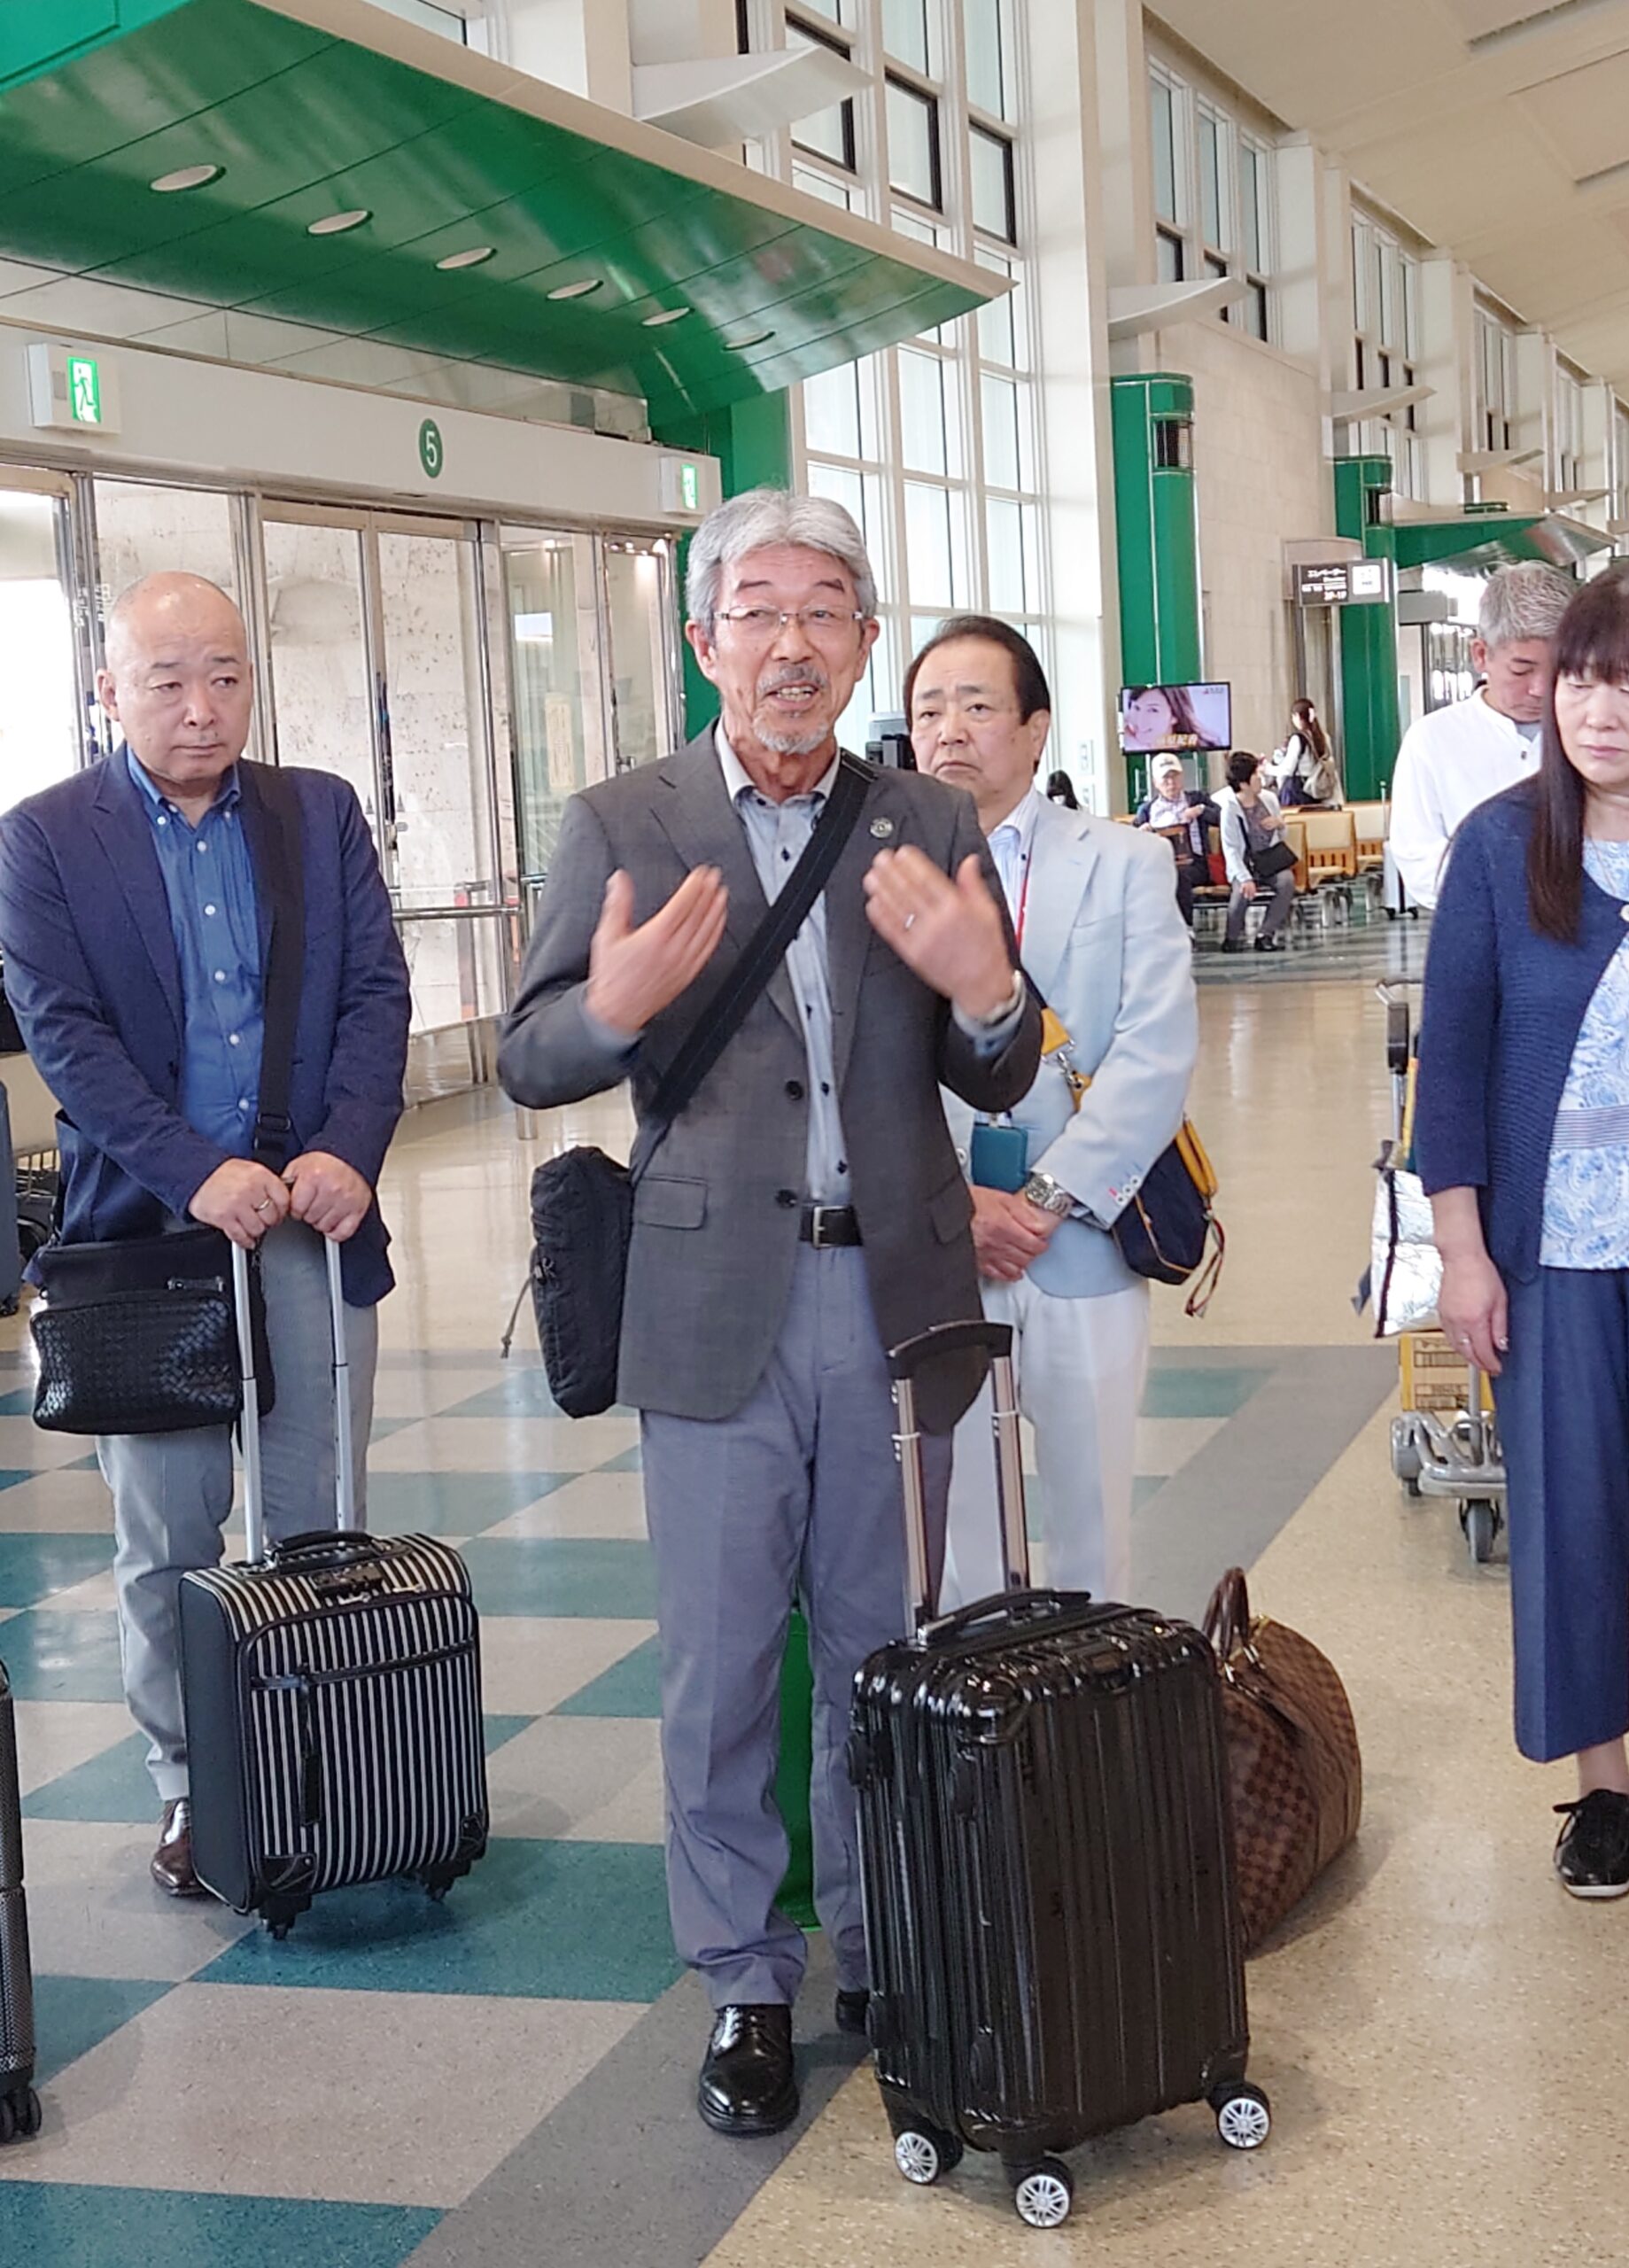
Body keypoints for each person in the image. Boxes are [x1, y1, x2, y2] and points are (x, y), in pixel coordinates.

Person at [498, 492, 1042, 2140]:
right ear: (703, 640)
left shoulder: (927, 816)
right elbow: (528, 1056)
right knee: (723, 1663)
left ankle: (885, 1949)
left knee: (883, 1649)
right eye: (758, 610)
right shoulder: (623, 819)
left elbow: (999, 1067)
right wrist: (609, 1008)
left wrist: (989, 991)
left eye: (824, 612)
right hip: (712, 1301)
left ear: (865, 642)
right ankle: (744, 1977)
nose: (791, 643)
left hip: (892, 1297)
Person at [0, 571, 409, 1898]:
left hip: (311, 1225)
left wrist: (348, 1146)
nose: (201, 706)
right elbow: (67, 1036)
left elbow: (374, 992)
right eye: (167, 680)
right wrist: (196, 1170)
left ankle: (317, 1772)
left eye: (225, 675)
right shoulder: (44, 839)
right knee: (167, 1537)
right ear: (108, 692)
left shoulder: (318, 812)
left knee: (320, 1525)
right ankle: (192, 1786)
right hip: (152, 1245)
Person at [1416, 561, 1629, 1905]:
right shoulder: (1497, 845)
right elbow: (1455, 1064)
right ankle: (1600, 1782)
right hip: (1550, 1260)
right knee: (1566, 1516)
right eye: (1582, 678)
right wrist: (1462, 1251)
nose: (1598, 708)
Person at [908, 617, 1196, 1610]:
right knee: (959, 1537)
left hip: (1081, 1239)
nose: (950, 729)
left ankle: (1092, 1703)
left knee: (1092, 1528)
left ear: (1035, 730)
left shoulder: (1124, 862)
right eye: (929, 710)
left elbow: (1156, 1051)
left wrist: (1044, 1197)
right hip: (945, 1244)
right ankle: (978, 1703)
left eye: (977, 706)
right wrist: (957, 1203)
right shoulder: (883, 875)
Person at [1387, 561, 1574, 907]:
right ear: (1481, 654)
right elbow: (1418, 857)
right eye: (1521, 670)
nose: (1539, 689)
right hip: (1478, 923)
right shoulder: (1432, 741)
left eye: (1557, 670)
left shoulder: (1591, 731)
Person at [1215, 751, 1295, 953]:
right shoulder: (1230, 809)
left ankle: (1265, 933)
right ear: (1243, 784)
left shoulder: (1269, 800)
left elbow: (1282, 834)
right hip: (1244, 863)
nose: (1260, 779)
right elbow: (1230, 849)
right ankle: (1232, 937)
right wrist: (1244, 878)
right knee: (1242, 893)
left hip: (1269, 860)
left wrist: (1279, 824)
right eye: (1255, 775)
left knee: (1286, 881)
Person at [1136, 751, 1214, 928]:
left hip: (1194, 864)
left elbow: (1223, 818)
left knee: (1178, 875)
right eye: (1165, 779)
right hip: (1158, 865)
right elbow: (1132, 843)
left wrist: (1201, 810)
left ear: (1182, 777)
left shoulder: (1196, 799)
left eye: (1175, 776)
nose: (1171, 783)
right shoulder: (1147, 810)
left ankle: (1185, 927)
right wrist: (1141, 832)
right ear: (1156, 783)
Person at [1273, 698, 1338, 807]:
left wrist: (1267, 769)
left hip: (1299, 789)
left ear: (1298, 716)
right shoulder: (1324, 737)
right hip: (1317, 788)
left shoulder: (1298, 739)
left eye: (1293, 716)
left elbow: (1287, 769)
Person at [1121, 682, 1207, 754]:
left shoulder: (1195, 747)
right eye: (1137, 708)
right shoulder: (1129, 742)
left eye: (1153, 710)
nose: (1140, 720)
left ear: (1174, 716)